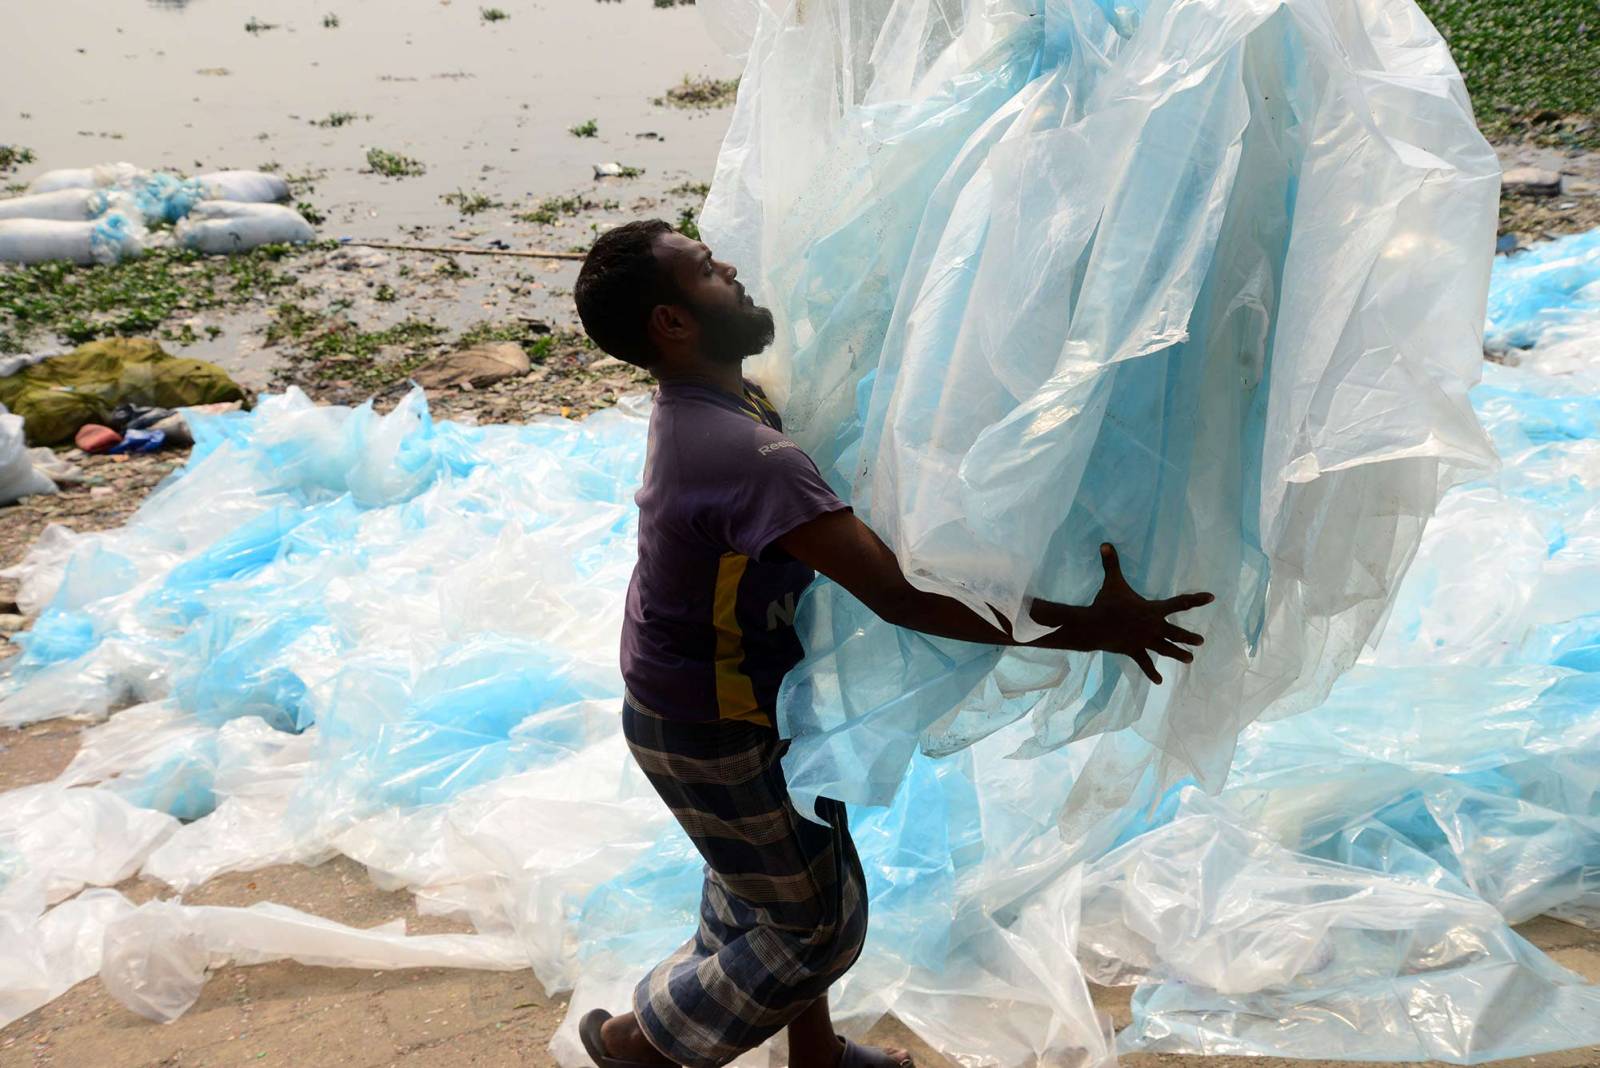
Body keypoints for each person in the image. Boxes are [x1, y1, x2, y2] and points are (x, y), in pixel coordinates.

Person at [571, 219, 1212, 1068]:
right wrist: (1091, 626)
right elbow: (905, 596)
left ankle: (815, 1060)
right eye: (705, 270)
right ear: (673, 323)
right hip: (711, 724)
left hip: (726, 698)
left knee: (774, 890)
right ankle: (635, 1049)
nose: (730, 268)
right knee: (815, 928)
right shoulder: (743, 450)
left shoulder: (714, 403)